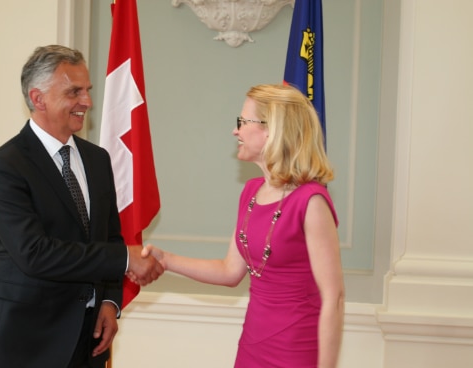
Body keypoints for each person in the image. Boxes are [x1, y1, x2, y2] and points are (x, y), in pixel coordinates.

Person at [0, 45, 164, 368]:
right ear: (38, 98)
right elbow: (35, 253)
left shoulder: (97, 159)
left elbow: (109, 237)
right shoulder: (3, 167)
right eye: (74, 92)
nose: (86, 102)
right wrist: (124, 259)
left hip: (88, 339)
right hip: (25, 341)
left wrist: (110, 301)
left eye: (86, 91)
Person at [139, 84, 345, 368]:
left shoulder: (311, 201)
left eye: (242, 122)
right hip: (253, 347)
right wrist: (166, 259)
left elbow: (333, 297)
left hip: (297, 350)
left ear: (272, 129)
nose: (235, 131)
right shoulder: (251, 191)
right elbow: (230, 271)